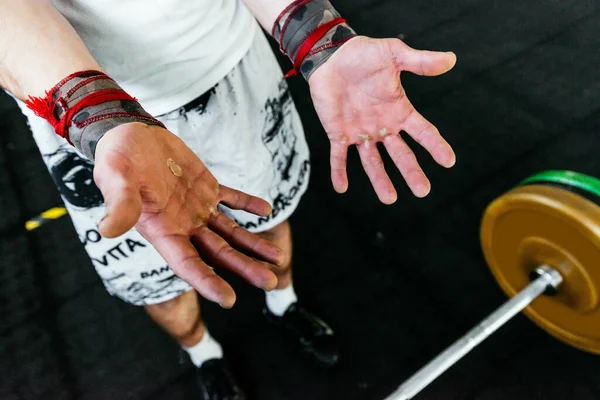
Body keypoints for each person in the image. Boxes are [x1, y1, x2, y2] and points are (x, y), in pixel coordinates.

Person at [0, 0, 457, 398]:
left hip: (224, 65)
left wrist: (317, 36)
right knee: (156, 281)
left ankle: (284, 305)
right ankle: (204, 353)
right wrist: (99, 117)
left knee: (266, 221)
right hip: (88, 129)